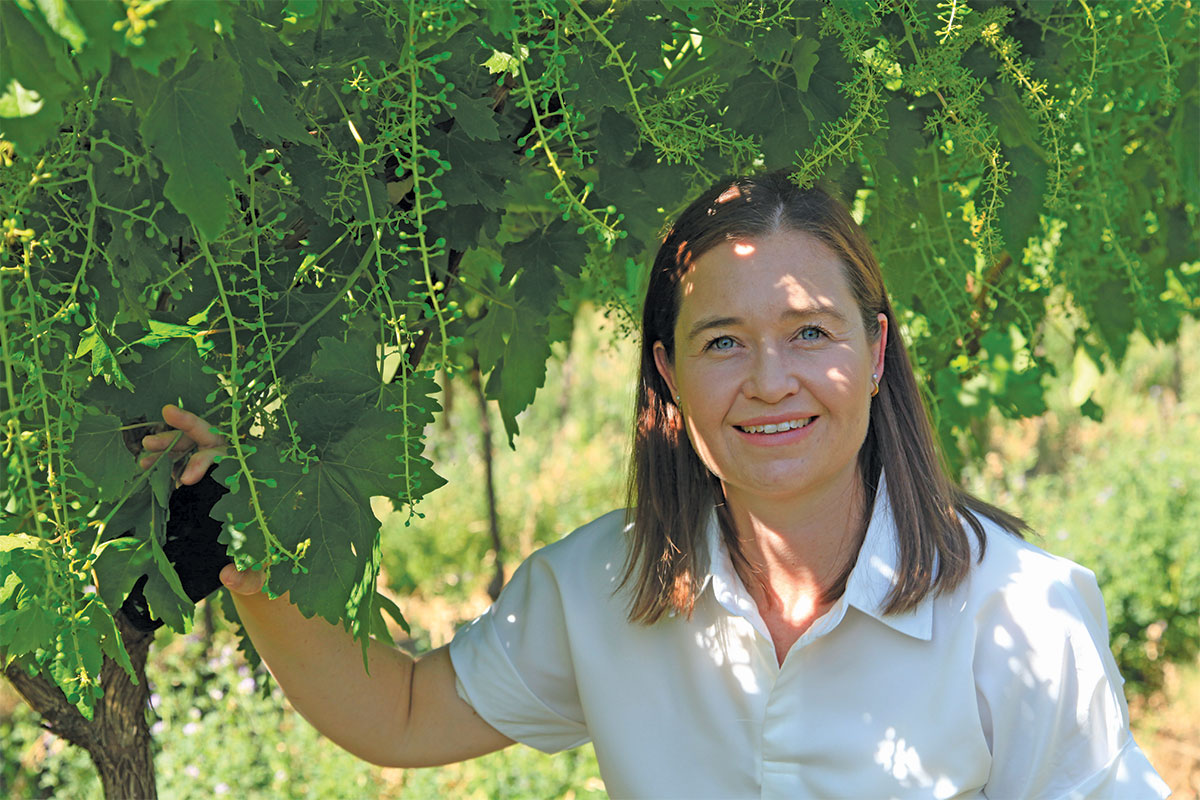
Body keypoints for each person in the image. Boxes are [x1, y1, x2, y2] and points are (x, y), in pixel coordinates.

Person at [143, 172, 1171, 798]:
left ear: (875, 350)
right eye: (723, 340)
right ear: (671, 378)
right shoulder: (609, 584)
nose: (771, 380)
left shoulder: (1023, 616)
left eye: (811, 330)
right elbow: (406, 714)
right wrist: (251, 564)